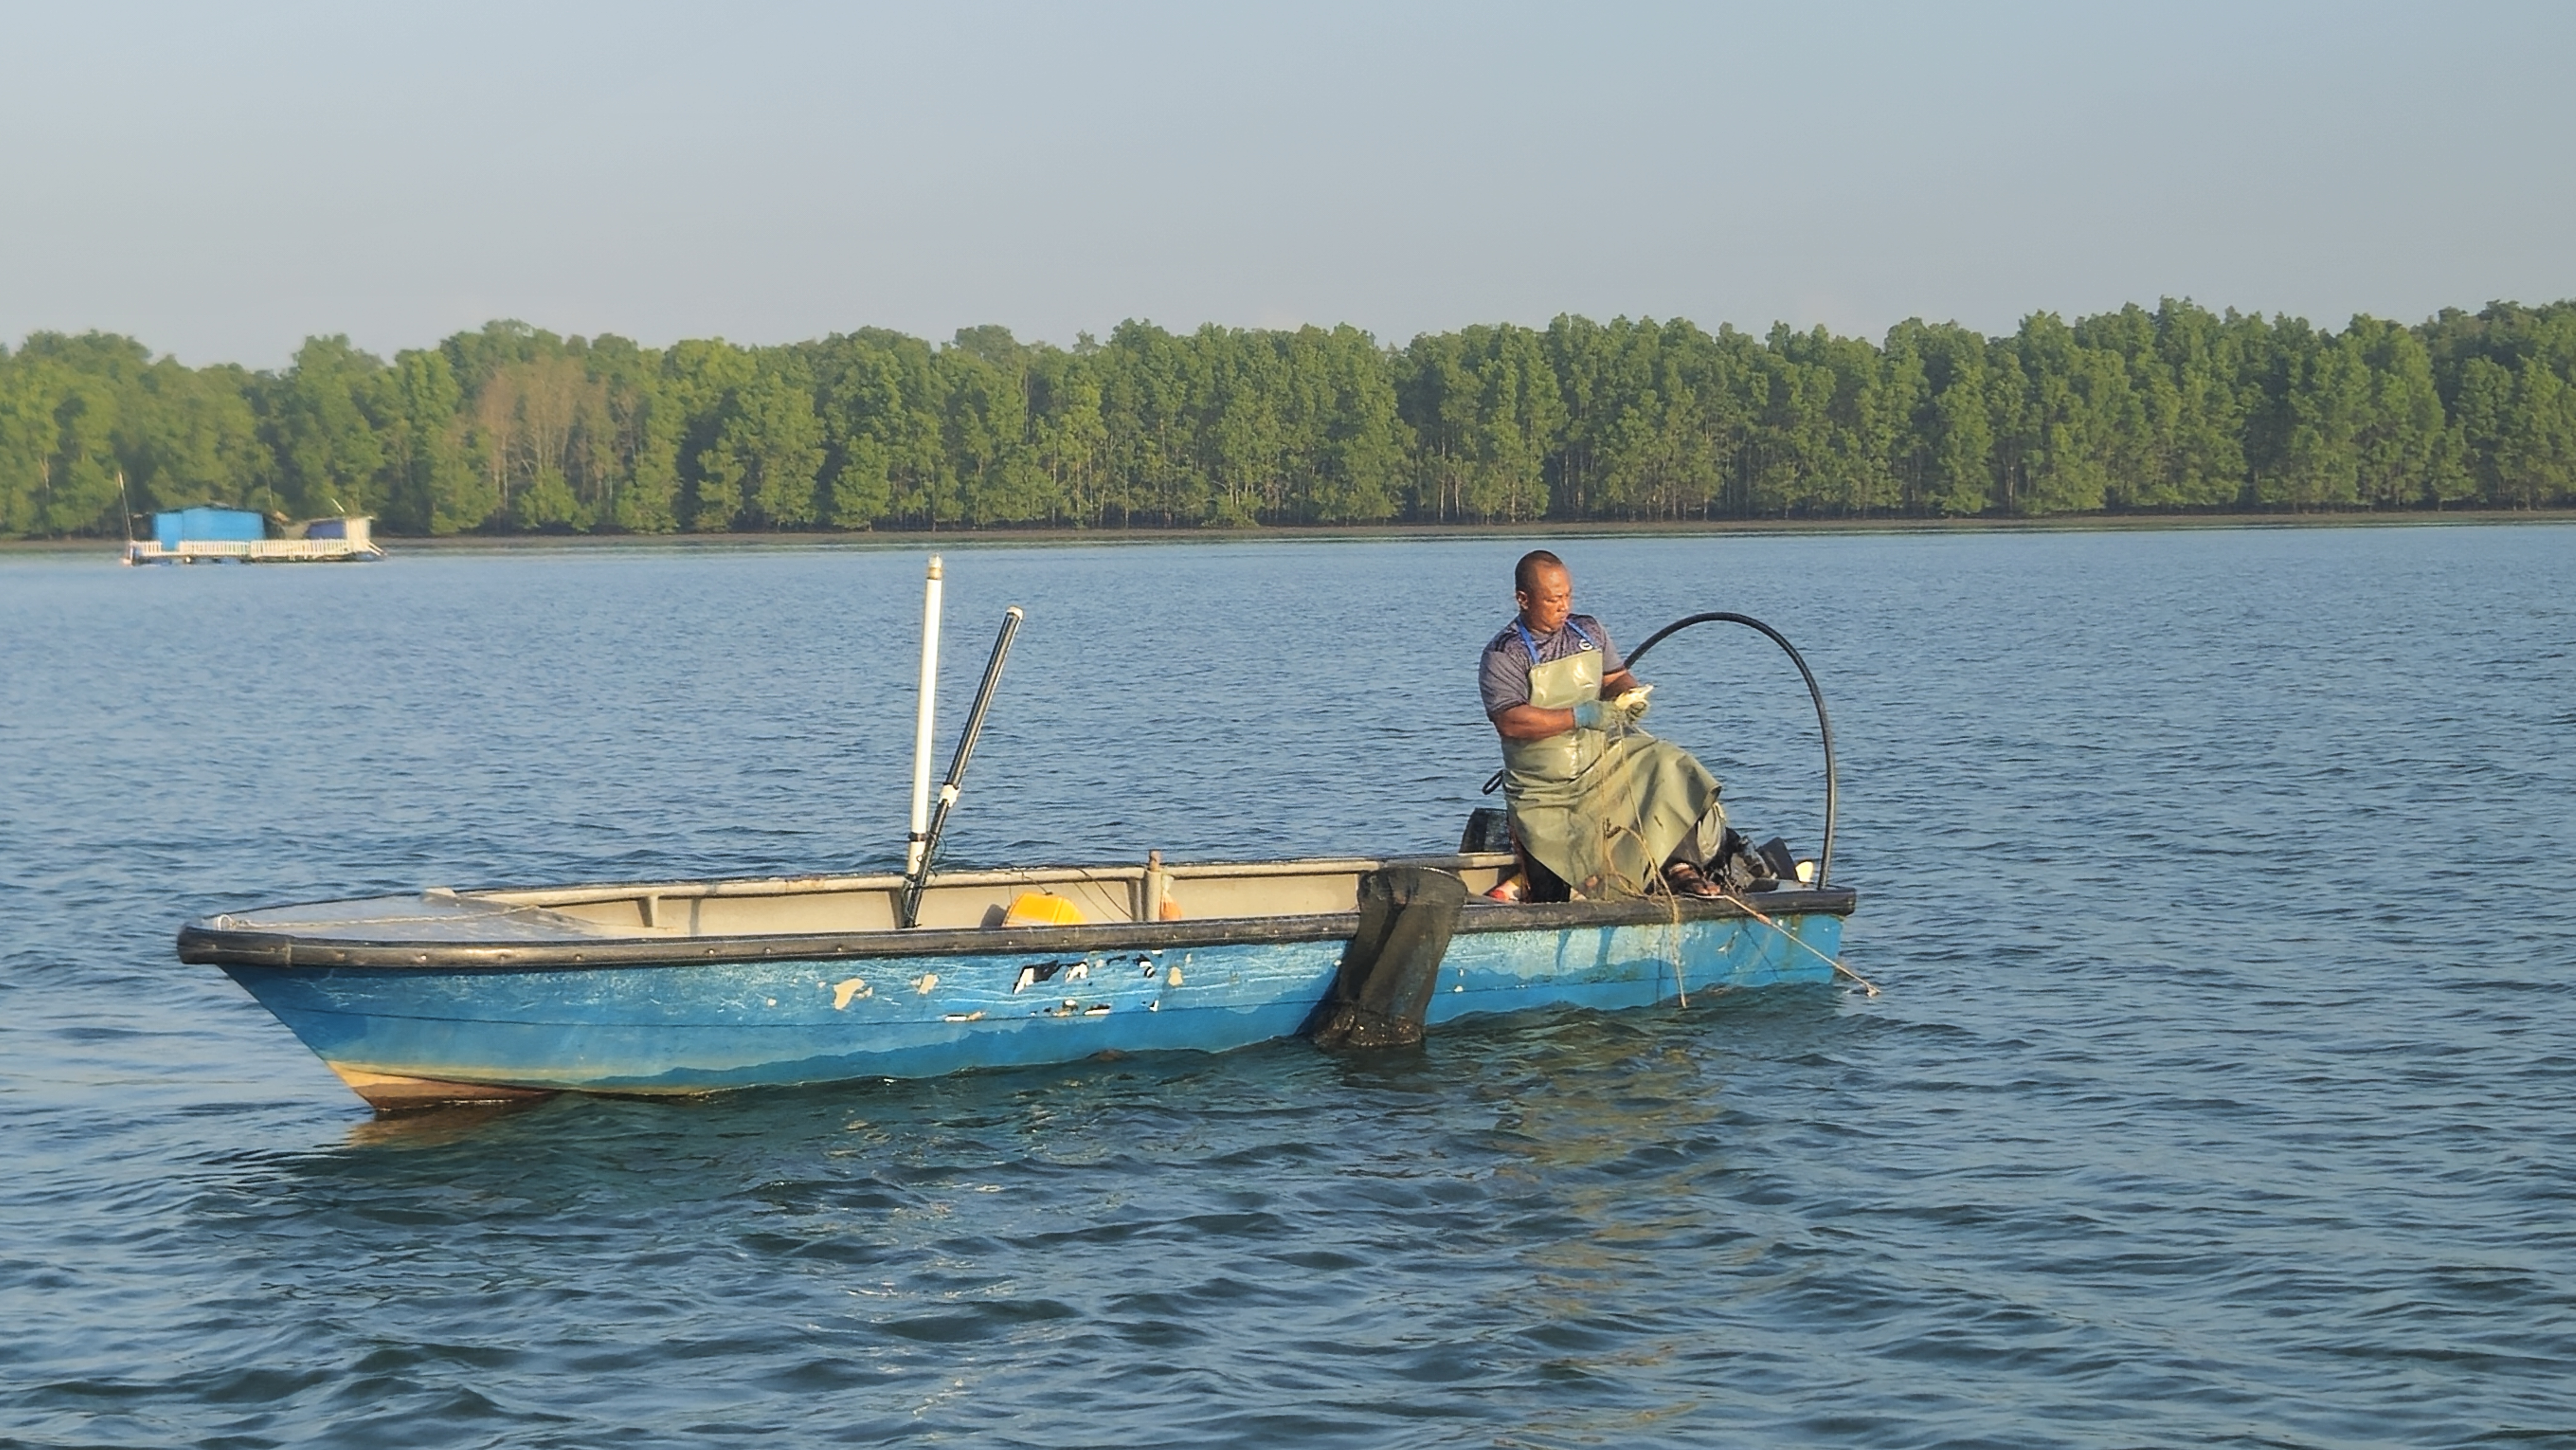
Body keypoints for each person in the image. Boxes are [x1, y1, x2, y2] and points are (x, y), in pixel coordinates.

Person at [1479, 550, 1727, 900]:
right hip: (1543, 786)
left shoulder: (1589, 631)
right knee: (1551, 895)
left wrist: (1630, 696)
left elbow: (1615, 677)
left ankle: (1679, 867)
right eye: (1553, 599)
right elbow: (1511, 721)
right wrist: (1581, 716)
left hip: (1601, 762)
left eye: (1568, 596)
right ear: (1523, 599)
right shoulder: (1505, 653)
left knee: (1666, 761)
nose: (1563, 606)